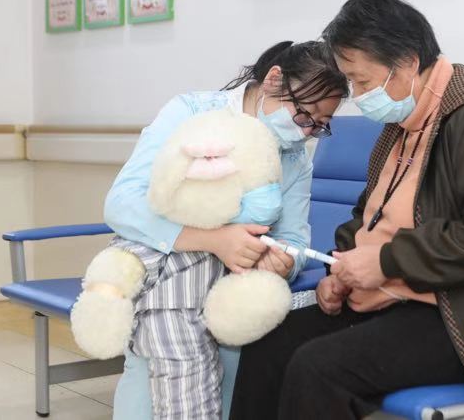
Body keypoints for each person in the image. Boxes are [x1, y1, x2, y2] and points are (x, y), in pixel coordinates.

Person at [230, 0, 464, 420]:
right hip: (395, 296)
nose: (359, 96)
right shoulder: (401, 123)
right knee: (269, 343)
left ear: (407, 62)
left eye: (362, 81)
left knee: (319, 369)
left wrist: (385, 262)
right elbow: (369, 218)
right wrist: (342, 271)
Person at [107, 40, 348, 419]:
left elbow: (293, 239)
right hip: (168, 292)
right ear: (274, 80)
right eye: (305, 114)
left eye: (321, 125)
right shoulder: (193, 113)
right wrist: (215, 241)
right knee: (150, 395)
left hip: (233, 302)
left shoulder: (296, 157)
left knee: (225, 397)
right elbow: (122, 203)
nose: (306, 133)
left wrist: (283, 262)